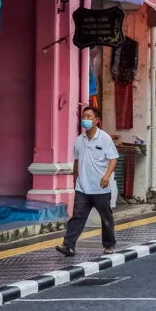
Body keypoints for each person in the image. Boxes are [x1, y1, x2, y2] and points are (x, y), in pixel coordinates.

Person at [56, 107, 119, 257]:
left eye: (89, 116)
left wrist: (106, 176)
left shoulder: (105, 138)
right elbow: (77, 161)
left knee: (106, 217)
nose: (85, 119)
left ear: (96, 120)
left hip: (100, 188)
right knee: (77, 217)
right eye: (84, 116)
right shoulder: (79, 140)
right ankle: (69, 246)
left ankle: (109, 245)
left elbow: (113, 159)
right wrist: (75, 179)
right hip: (82, 187)